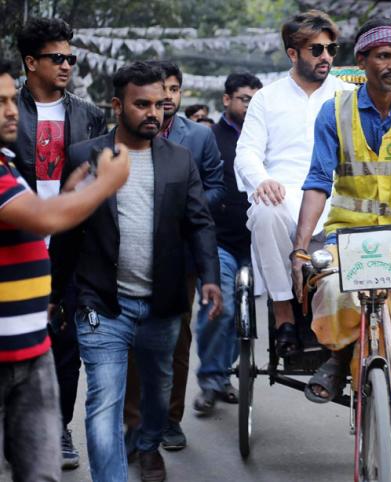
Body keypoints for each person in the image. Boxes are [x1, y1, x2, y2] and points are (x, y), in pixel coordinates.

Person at [291, 18, 391, 482]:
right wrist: (301, 245)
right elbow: (318, 179)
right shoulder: (334, 111)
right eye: (383, 56)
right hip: (348, 233)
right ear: (361, 63)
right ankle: (341, 355)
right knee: (335, 291)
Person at [50, 61, 223, 482]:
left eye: (160, 105)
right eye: (141, 104)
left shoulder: (181, 161)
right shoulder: (84, 156)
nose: (153, 113)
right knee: (104, 402)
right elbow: (68, 230)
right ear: (116, 106)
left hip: (162, 302)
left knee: (157, 395)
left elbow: (199, 222)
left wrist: (211, 277)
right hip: (101, 304)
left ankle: (147, 446)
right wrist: (55, 293)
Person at [0, 57, 129, 482]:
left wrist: (72, 193)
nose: (11, 110)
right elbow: (41, 219)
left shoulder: (7, 164)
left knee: (41, 471)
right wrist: (104, 186)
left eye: (9, 100)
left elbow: (39, 216)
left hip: (30, 348)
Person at [14, 17, 108, 470]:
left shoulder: (88, 114)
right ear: (31, 62)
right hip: (18, 242)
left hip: (72, 244)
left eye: (71, 56)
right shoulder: (8, 112)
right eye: (57, 57)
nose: (67, 64)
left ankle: (58, 429)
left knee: (66, 342)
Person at [234, 10, 354, 358]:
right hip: (284, 201)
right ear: (293, 53)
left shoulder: (348, 96)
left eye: (331, 49)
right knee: (264, 212)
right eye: (316, 50)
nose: (327, 57)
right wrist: (262, 180)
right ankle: (283, 313)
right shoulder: (267, 98)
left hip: (338, 204)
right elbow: (247, 153)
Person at [124, 59, 225, 453]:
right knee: (132, 343)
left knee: (177, 343)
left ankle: (169, 419)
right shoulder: (123, 135)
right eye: (160, 89)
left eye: (174, 89)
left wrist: (184, 206)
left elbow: (216, 186)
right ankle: (132, 425)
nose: (166, 97)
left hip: (179, 255)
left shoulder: (198, 137)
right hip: (128, 255)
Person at [194, 72, 263, 415]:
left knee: (243, 317)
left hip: (255, 240)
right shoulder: (209, 137)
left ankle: (223, 375)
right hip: (217, 240)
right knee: (220, 309)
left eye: (255, 99)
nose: (249, 105)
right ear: (227, 100)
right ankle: (210, 380)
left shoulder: (266, 138)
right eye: (244, 98)